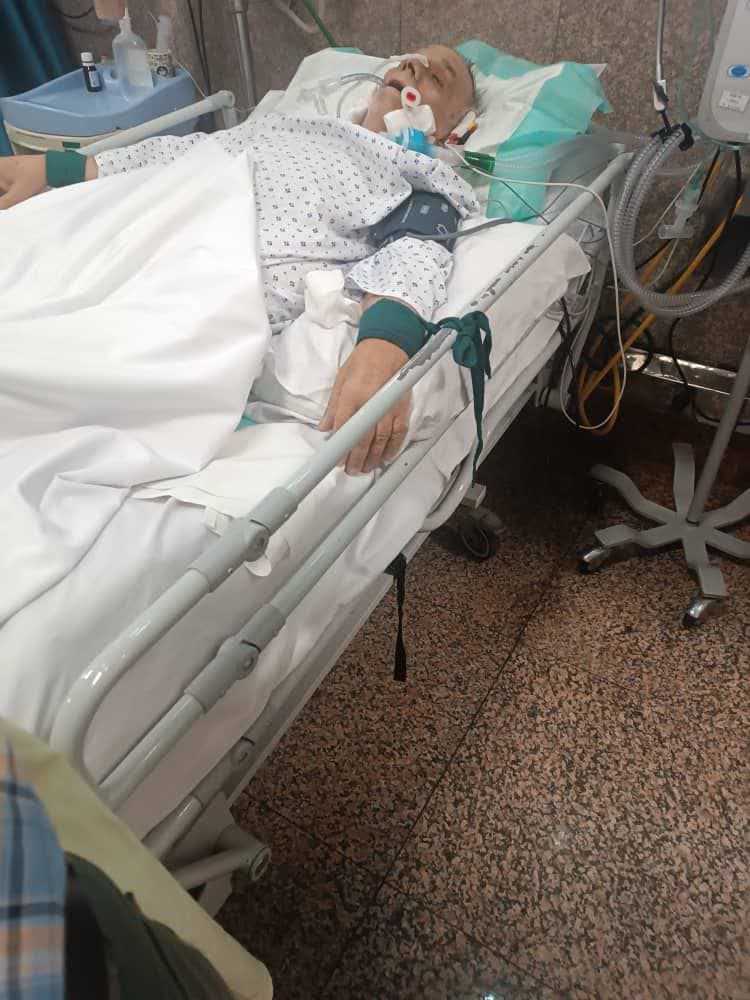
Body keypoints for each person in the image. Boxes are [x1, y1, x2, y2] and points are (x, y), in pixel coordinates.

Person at [0, 46, 477, 474]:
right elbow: (189, 152)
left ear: (452, 127)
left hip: (205, 278)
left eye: (438, 77)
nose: (415, 66)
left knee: (42, 355)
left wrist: (385, 344)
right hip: (145, 223)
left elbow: (419, 244)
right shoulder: (294, 122)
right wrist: (54, 168)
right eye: (412, 59)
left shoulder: (414, 174)